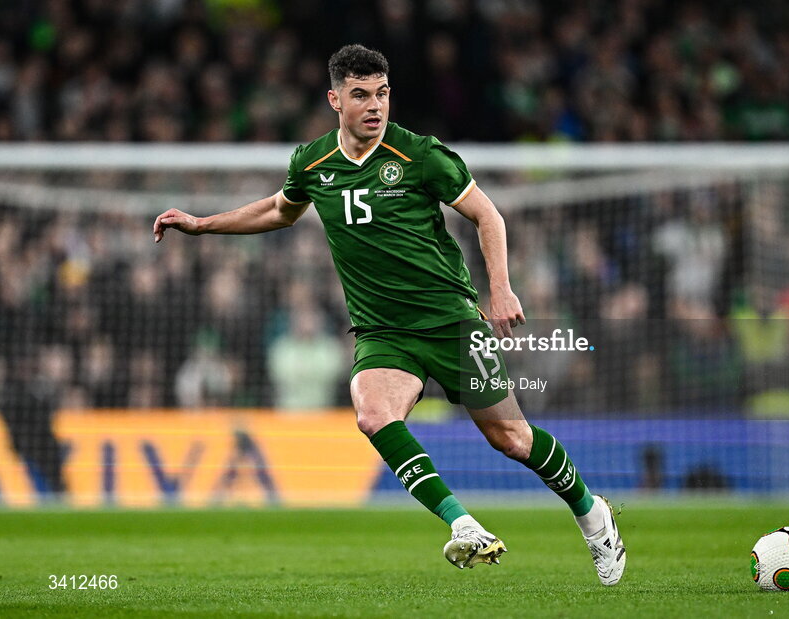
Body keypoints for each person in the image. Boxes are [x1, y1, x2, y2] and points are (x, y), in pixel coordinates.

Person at [153, 44, 625, 586]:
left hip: (450, 321)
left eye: (381, 94)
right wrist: (203, 224)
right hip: (383, 330)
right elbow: (280, 210)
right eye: (360, 95)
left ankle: (593, 514)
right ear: (335, 100)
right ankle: (463, 524)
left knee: (511, 439)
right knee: (373, 413)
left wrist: (501, 290)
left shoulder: (420, 155)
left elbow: (486, 215)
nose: (374, 106)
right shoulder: (311, 163)